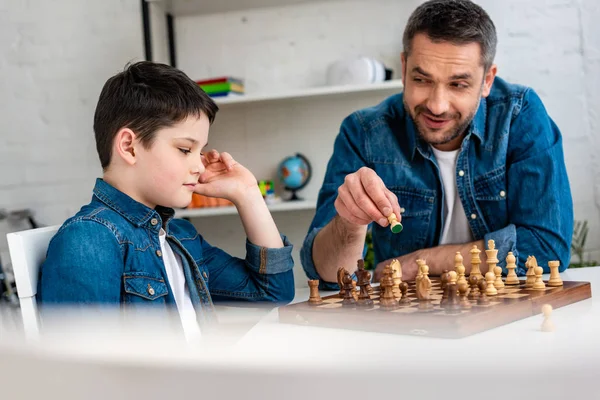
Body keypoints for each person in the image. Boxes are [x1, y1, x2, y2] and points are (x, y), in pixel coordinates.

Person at [301, 0, 573, 288]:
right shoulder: (363, 132)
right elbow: (327, 275)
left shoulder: (519, 116)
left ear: (487, 81)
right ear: (404, 68)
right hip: (409, 321)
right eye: (422, 79)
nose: (437, 105)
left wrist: (419, 262)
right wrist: (349, 223)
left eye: (458, 84)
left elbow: (547, 246)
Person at [38, 61, 295, 338]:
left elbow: (273, 292)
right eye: (185, 149)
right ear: (129, 146)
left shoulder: (181, 238)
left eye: (200, 151)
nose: (199, 165)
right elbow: (82, 373)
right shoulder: (88, 239)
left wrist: (247, 194)